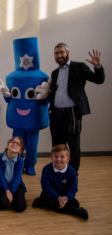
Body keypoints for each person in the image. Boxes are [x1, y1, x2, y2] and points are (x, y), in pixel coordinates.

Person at [49, 44, 105, 175]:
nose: (59, 56)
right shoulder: (55, 72)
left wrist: (97, 66)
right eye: (56, 53)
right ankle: (58, 172)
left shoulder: (79, 67)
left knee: (73, 147)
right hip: (56, 114)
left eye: (61, 52)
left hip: (72, 114)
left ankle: (72, 174)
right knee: (57, 146)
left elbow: (99, 80)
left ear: (68, 52)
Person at [32, 144, 88, 219]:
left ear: (68, 159)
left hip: (63, 194)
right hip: (50, 193)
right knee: (50, 201)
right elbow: (46, 187)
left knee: (76, 203)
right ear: (52, 158)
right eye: (56, 156)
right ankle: (75, 211)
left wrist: (66, 198)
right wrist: (58, 198)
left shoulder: (71, 171)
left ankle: (41, 202)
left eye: (62, 157)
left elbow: (73, 189)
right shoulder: (46, 169)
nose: (58, 159)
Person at [0, 137, 27, 213]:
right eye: (13, 142)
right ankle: (9, 199)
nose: (15, 144)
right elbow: (0, 177)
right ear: (7, 145)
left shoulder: (20, 161)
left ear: (20, 150)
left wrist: (11, 193)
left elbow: (17, 179)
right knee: (2, 206)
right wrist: (7, 191)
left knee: (20, 207)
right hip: (3, 185)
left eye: (18, 144)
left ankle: (14, 199)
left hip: (16, 185)